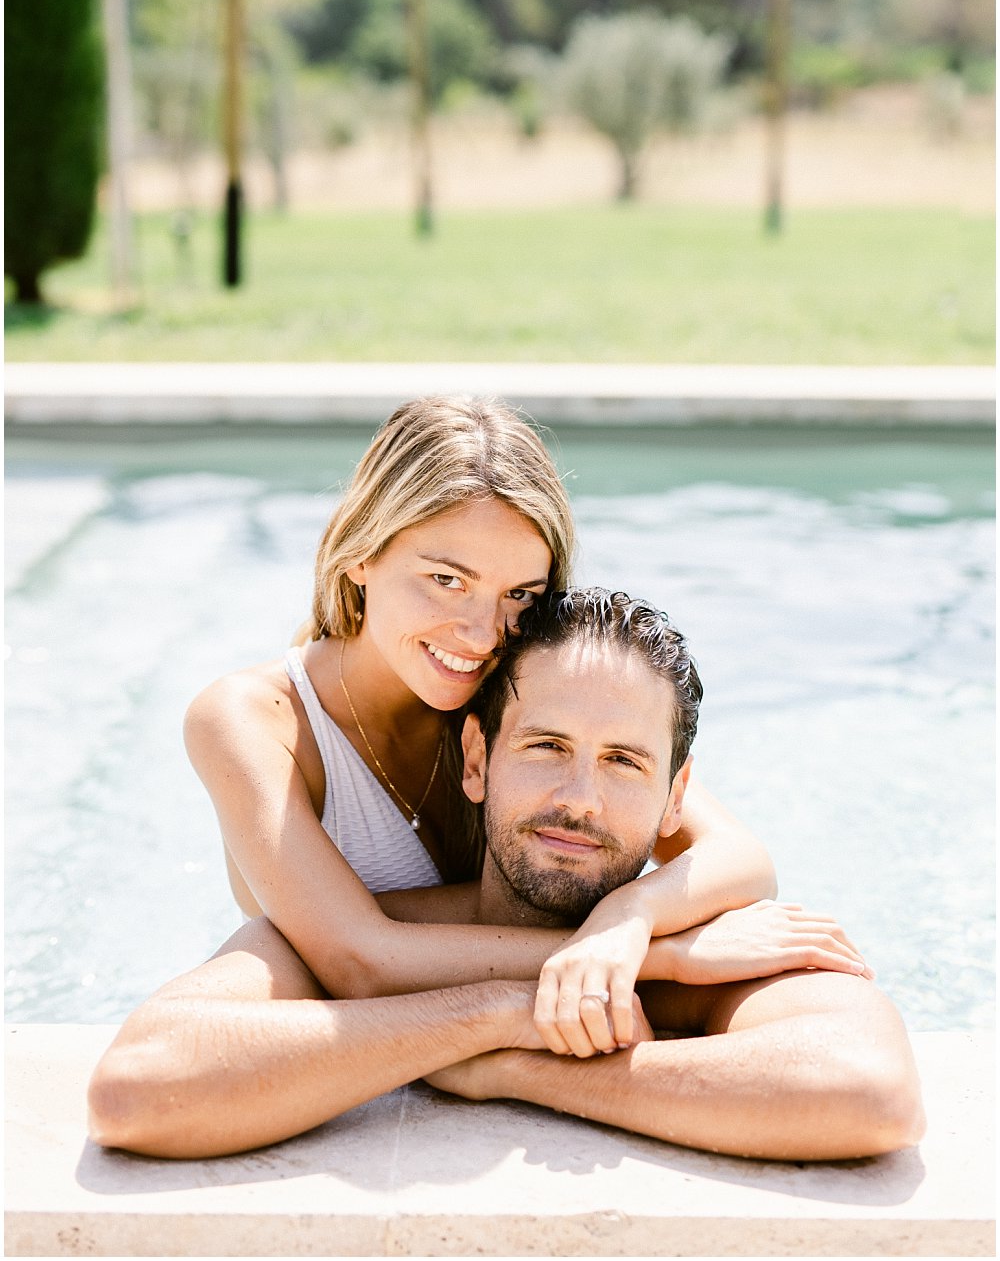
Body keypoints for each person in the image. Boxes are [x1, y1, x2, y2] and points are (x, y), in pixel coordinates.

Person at [88, 589, 924, 1163]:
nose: (580, 799)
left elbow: (868, 1093)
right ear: (479, 760)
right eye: (546, 746)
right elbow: (138, 1090)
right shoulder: (371, 927)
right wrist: (496, 1012)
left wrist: (518, 1070)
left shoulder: (714, 940)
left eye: (624, 762)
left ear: (677, 798)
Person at [184, 395, 777, 1053]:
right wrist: (656, 956)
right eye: (446, 579)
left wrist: (629, 917)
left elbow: (740, 857)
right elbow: (359, 961)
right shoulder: (253, 719)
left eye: (519, 594)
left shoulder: (518, 695)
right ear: (361, 552)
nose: (480, 633)